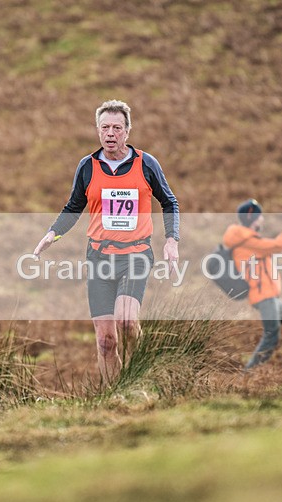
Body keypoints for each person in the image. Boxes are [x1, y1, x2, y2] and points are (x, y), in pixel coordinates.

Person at [33, 99, 180, 383]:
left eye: (116, 127)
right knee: (105, 341)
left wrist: (171, 240)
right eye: (105, 127)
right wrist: (52, 233)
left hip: (136, 254)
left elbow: (170, 202)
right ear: (98, 131)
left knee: (126, 321)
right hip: (99, 257)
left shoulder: (146, 164)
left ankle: (142, 369)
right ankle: (118, 393)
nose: (110, 133)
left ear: (127, 131)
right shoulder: (87, 166)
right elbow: (73, 207)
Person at [223, 199, 282, 370]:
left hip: (270, 294)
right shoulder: (246, 241)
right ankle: (248, 375)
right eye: (259, 216)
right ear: (251, 218)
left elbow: (272, 245)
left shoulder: (249, 239)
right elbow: (278, 245)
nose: (262, 219)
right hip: (262, 295)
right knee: (272, 335)